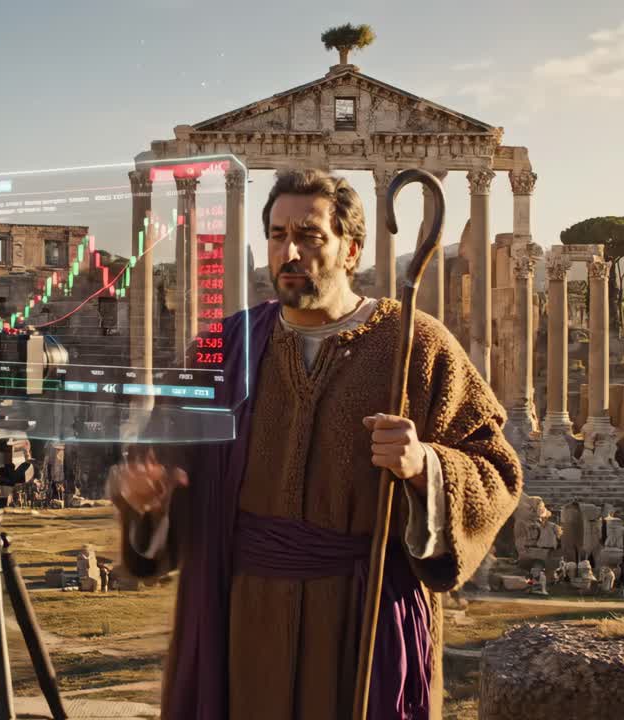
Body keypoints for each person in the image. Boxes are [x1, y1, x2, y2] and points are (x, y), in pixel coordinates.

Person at [109, 169, 523, 720]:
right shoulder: (224, 348)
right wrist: (149, 504)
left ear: (351, 250)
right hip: (241, 628)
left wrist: (426, 465)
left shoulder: (417, 345)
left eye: (309, 236)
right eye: (278, 236)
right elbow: (171, 470)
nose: (290, 252)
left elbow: (496, 469)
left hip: (363, 627)